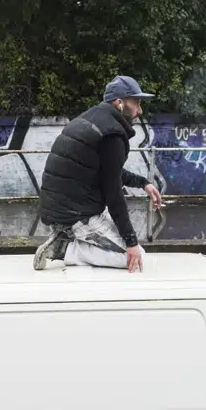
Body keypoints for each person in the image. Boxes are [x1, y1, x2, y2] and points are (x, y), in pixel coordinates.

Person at [33, 75, 164, 272]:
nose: (140, 110)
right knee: (136, 258)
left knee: (130, 250)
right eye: (136, 102)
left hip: (61, 209)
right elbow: (113, 194)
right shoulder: (112, 135)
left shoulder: (91, 119)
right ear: (119, 103)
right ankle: (65, 249)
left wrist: (143, 183)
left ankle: (65, 238)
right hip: (76, 215)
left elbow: (108, 171)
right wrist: (131, 242)